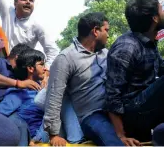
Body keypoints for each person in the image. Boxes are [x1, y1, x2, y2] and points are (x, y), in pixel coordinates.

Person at [43, 12, 124, 146]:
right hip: (93, 116)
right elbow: (54, 96)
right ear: (95, 31)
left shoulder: (105, 53)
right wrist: (54, 135)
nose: (108, 35)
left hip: (116, 111)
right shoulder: (66, 58)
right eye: (106, 30)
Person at [106, 0, 164, 144]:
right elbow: (112, 96)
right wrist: (120, 136)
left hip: (147, 106)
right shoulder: (126, 47)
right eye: (161, 9)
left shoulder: (149, 42)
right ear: (155, 18)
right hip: (133, 113)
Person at [0, 49, 47, 145]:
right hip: (30, 141)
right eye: (42, 64)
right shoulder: (18, 93)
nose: (45, 68)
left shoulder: (44, 88)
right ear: (30, 68)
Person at [0, 43, 41, 110]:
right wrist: (17, 83)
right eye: (27, 60)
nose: (28, 63)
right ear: (18, 57)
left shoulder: (24, 72)